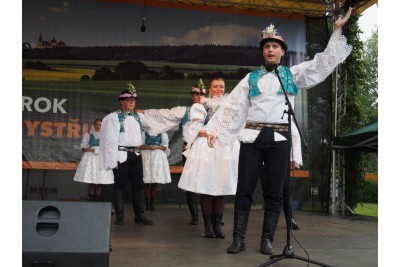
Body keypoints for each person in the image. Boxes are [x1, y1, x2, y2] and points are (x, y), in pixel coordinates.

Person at [205, 8, 353, 255]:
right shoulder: (251, 78)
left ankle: (267, 240)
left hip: (280, 138)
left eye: (275, 46)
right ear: (263, 51)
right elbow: (234, 106)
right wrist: (215, 129)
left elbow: (322, 63)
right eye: (267, 47)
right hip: (252, 137)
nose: (270, 50)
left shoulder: (292, 75)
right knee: (244, 190)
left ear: (283, 52)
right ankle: (238, 239)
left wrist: (337, 30)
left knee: (275, 191)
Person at [179, 77, 240, 238]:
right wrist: (211, 133)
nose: (219, 89)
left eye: (221, 86)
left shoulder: (230, 106)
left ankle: (217, 227)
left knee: (221, 188)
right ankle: (207, 227)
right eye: (215, 86)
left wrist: (222, 134)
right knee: (207, 188)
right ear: (210, 88)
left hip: (224, 148)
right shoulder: (201, 106)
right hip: (207, 147)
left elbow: (236, 127)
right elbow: (194, 129)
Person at [99, 83, 154, 226]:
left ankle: (140, 215)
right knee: (120, 185)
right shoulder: (114, 117)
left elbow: (153, 125)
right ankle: (119, 215)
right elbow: (109, 139)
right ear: (121, 101)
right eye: (129, 100)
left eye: (133, 100)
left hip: (135, 154)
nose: (132, 102)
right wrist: (111, 158)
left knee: (138, 185)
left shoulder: (138, 117)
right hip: (121, 153)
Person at [181, 80, 207, 225]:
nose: (199, 97)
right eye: (196, 94)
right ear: (192, 96)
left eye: (201, 94)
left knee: (205, 180)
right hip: (188, 149)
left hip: (204, 149)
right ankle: (194, 215)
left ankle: (208, 215)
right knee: (190, 181)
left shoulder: (210, 112)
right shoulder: (185, 111)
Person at [73, 119, 114, 201]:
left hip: (101, 158)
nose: (98, 126)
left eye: (100, 125)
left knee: (100, 179)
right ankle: (91, 198)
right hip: (91, 158)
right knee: (91, 178)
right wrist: (92, 150)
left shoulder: (106, 136)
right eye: (97, 124)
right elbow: (83, 148)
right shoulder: (89, 135)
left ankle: (97, 197)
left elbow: (109, 148)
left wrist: (97, 150)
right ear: (94, 125)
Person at [140, 131, 171, 211]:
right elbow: (140, 146)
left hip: (157, 157)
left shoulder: (162, 133)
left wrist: (156, 147)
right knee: (146, 181)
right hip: (146, 156)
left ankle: (152, 203)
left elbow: (165, 147)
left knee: (154, 181)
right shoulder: (144, 133)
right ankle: (147, 203)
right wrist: (148, 147)